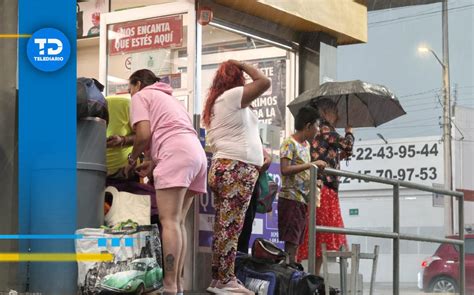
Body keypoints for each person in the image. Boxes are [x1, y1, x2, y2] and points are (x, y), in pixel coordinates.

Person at [124, 69, 207, 295]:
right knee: (179, 222)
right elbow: (171, 132)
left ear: (138, 84)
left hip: (176, 153)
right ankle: (178, 285)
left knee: (168, 221)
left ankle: (169, 287)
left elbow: (143, 134)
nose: (130, 94)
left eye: (130, 88)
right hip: (196, 155)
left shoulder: (142, 96)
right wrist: (152, 163)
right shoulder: (170, 99)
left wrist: (131, 160)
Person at [203, 60, 271, 294]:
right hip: (237, 170)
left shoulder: (218, 102)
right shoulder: (232, 96)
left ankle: (219, 278)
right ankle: (225, 279)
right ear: (236, 79)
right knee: (231, 227)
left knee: (224, 226)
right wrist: (242, 64)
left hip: (226, 167)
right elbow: (265, 82)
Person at [296, 98, 355, 275]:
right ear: (326, 112)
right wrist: (349, 132)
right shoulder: (325, 128)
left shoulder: (320, 131)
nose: (337, 116)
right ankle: (313, 275)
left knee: (319, 234)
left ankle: (314, 275)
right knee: (322, 233)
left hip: (321, 186)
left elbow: (337, 152)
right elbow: (348, 145)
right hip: (324, 187)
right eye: (335, 112)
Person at [278, 106, 326, 265]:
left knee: (298, 238)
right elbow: (284, 170)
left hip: (303, 199)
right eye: (317, 126)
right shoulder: (288, 143)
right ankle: (289, 267)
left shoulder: (306, 145)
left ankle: (293, 267)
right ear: (308, 126)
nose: (318, 130)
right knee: (291, 239)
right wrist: (311, 165)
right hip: (291, 198)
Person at [237, 147, 272, 254]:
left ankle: (240, 265)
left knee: (245, 230)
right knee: (232, 231)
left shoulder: (253, 135)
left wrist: (266, 157)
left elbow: (265, 157)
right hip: (235, 176)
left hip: (251, 181)